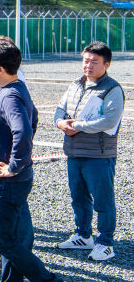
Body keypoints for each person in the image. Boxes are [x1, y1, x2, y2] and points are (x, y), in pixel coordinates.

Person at [0, 39, 70, 282]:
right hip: (11, 180)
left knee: (2, 240)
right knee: (16, 239)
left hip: (6, 182)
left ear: (0, 68)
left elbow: (24, 131)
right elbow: (35, 118)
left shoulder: (11, 95)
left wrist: (14, 165)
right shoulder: (14, 89)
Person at [53, 42, 124, 261]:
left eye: (94, 61)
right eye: (85, 60)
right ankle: (83, 235)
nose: (88, 65)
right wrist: (59, 123)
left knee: (103, 200)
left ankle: (105, 242)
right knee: (79, 197)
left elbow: (109, 120)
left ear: (107, 64)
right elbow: (60, 108)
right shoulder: (76, 84)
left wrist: (77, 126)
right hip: (74, 152)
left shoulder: (112, 89)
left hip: (99, 155)